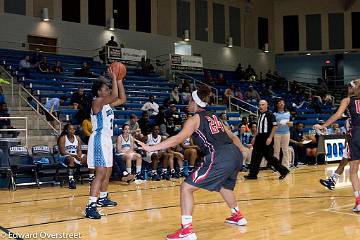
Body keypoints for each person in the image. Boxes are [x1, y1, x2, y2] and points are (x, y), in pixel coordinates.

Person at [136, 86, 248, 240]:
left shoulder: (194, 119)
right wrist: (242, 150)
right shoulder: (214, 116)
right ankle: (238, 216)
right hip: (234, 155)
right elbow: (232, 136)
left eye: (190, 100)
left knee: (186, 188)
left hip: (219, 155)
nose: (188, 103)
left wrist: (151, 147)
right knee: (224, 186)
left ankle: (187, 230)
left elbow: (177, 139)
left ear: (195, 103)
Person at [85, 66, 126, 219]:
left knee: (108, 171)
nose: (108, 90)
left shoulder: (107, 104)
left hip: (107, 140)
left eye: (108, 87)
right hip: (99, 139)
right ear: (98, 92)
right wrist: (114, 77)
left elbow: (122, 99)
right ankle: (90, 206)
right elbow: (115, 95)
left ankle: (102, 198)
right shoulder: (97, 102)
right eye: (105, 88)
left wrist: (120, 80)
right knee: (100, 172)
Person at [314, 80, 360, 212]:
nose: (348, 88)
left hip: (356, 134)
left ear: (354, 88)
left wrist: (323, 126)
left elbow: (337, 115)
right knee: (346, 161)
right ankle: (333, 180)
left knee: (353, 170)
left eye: (350, 86)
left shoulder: (347, 100)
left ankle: (358, 202)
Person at [244, 100, 289, 180]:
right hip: (259, 137)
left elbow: (275, 126)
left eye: (262, 105)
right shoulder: (260, 115)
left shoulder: (270, 115)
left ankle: (283, 170)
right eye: (259, 105)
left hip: (266, 137)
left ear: (266, 106)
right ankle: (252, 174)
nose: (260, 106)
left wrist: (270, 137)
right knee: (255, 156)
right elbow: (259, 128)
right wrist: (255, 137)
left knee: (270, 157)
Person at [56, 124, 87, 189]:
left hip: (75, 156)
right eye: (70, 129)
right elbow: (62, 152)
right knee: (71, 159)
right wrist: (75, 156)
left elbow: (79, 150)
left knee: (87, 157)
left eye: (73, 129)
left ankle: (91, 177)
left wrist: (80, 156)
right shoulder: (63, 138)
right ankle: (71, 180)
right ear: (66, 130)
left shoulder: (77, 138)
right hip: (63, 157)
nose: (72, 130)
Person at [273, 98, 293, 168]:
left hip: (286, 133)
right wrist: (278, 124)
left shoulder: (288, 113)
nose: (282, 104)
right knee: (276, 150)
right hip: (277, 133)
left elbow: (291, 123)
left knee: (285, 149)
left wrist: (290, 123)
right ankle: (276, 166)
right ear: (277, 104)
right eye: (280, 102)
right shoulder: (274, 114)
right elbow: (273, 124)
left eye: (283, 102)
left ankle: (286, 165)